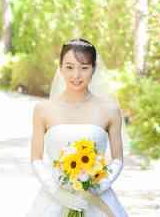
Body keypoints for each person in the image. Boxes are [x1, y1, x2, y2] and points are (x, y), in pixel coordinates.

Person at [27, 38, 128, 217]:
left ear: (94, 69)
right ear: (60, 68)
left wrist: (95, 188)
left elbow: (117, 159)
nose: (76, 75)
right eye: (69, 67)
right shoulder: (43, 109)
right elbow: (36, 159)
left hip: (97, 198)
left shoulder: (110, 110)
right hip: (54, 198)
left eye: (84, 68)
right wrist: (58, 193)